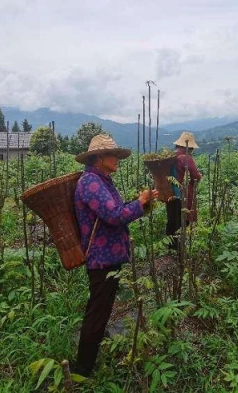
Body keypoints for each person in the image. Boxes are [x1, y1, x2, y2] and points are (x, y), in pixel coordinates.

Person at [73, 134, 158, 377]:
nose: (118, 159)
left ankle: (91, 356)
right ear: (100, 158)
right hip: (101, 259)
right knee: (97, 312)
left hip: (109, 257)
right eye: (114, 155)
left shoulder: (102, 180)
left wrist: (143, 203)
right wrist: (139, 203)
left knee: (101, 309)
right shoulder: (91, 183)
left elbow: (117, 212)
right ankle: (83, 370)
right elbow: (114, 216)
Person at [165, 132, 203, 250]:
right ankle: (180, 251)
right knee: (182, 222)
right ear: (189, 147)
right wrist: (199, 175)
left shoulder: (170, 156)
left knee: (172, 221)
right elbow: (196, 177)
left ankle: (171, 249)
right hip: (183, 196)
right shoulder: (186, 158)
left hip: (169, 195)